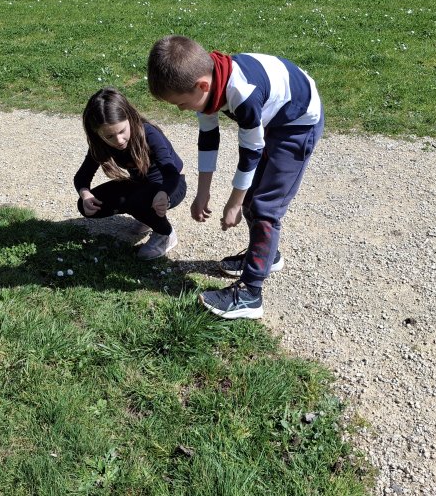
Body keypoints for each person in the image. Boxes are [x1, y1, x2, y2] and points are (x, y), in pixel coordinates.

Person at [147, 35, 324, 320]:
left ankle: (250, 294)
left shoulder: (242, 93)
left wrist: (234, 202)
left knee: (263, 206)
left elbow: (251, 151)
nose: (181, 109)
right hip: (275, 115)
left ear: (202, 86)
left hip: (298, 123)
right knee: (252, 197)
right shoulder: (210, 83)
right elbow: (208, 138)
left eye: (181, 104)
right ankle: (265, 256)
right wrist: (202, 192)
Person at [75, 87, 187, 260]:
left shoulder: (148, 133)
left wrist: (164, 193)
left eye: (122, 131)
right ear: (97, 133)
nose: (118, 140)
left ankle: (165, 234)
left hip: (171, 184)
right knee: (85, 206)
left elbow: (171, 173)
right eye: (109, 136)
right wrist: (85, 194)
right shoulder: (100, 144)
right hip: (140, 185)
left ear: (130, 118)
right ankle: (146, 217)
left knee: (137, 201)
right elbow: (82, 176)